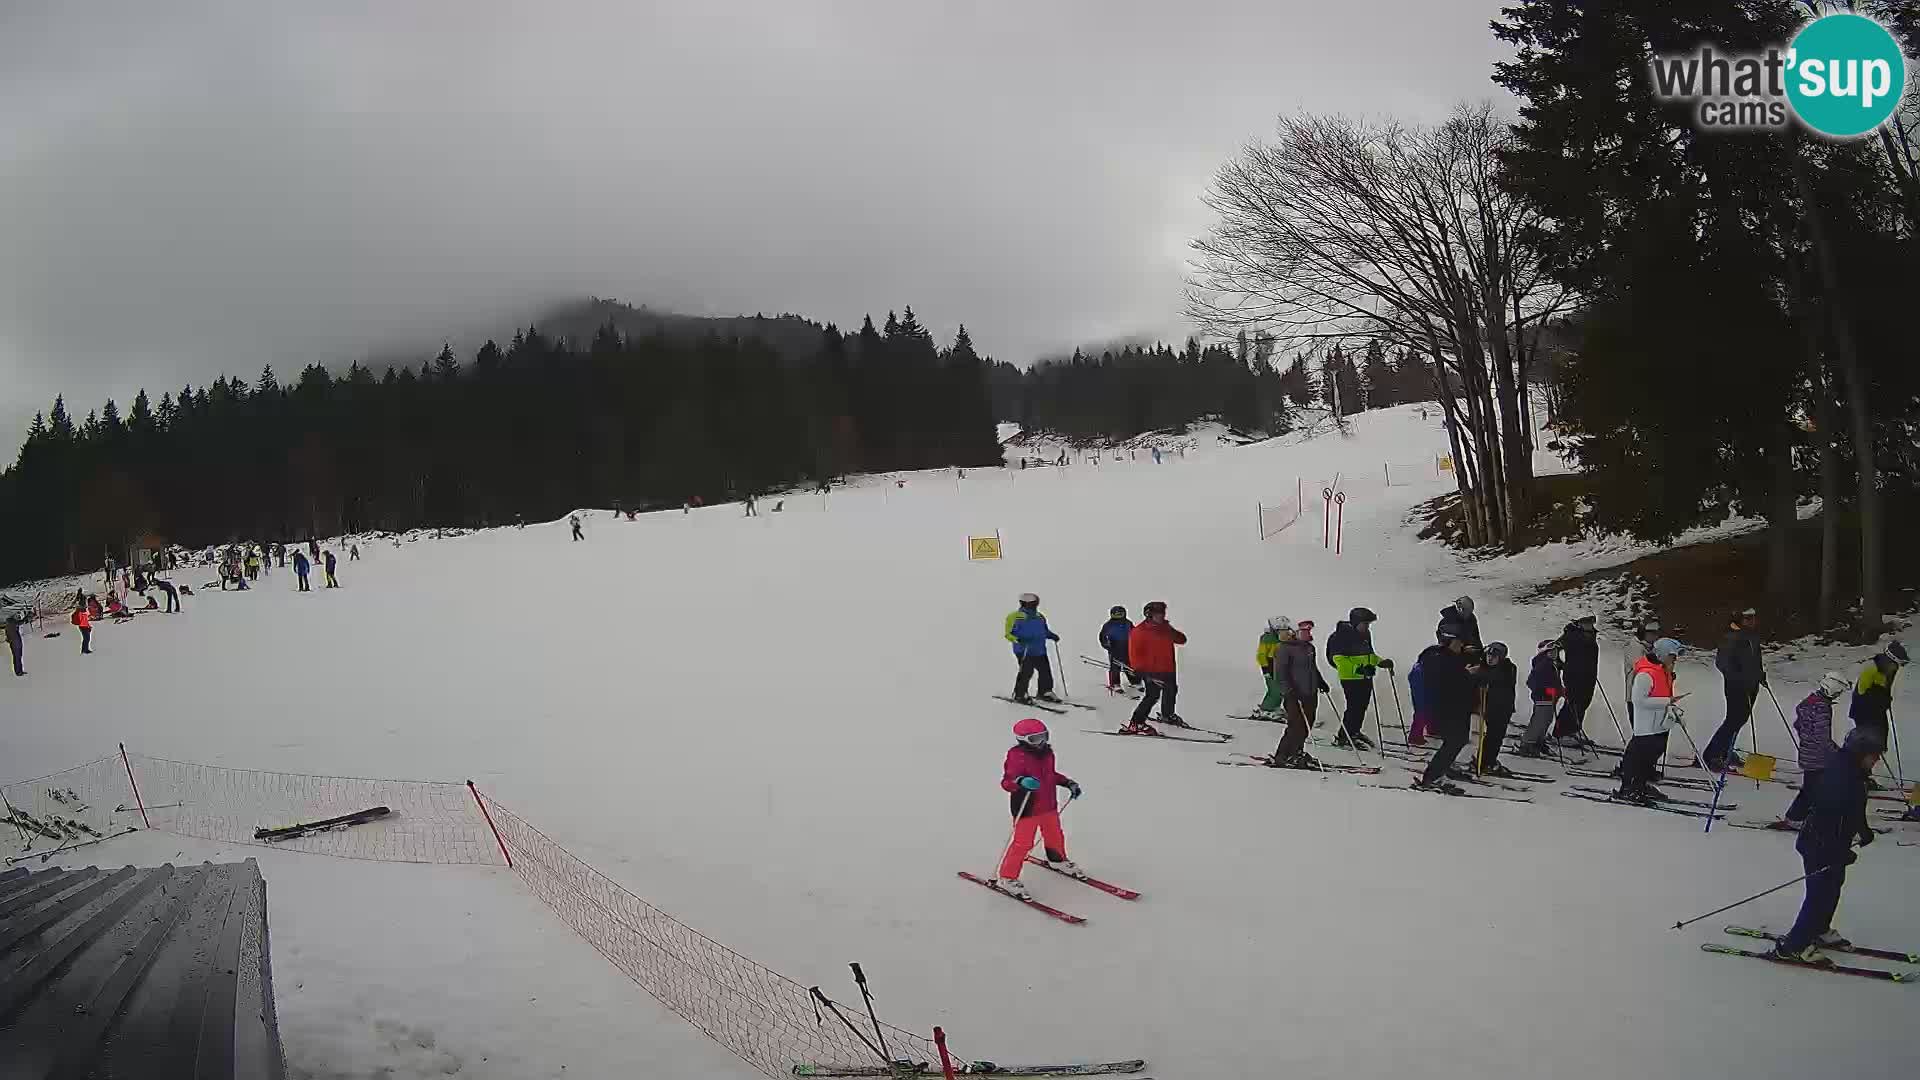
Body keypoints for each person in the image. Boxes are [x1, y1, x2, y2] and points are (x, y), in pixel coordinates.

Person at [1771, 727, 1883, 961]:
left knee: (1833, 885)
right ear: (1859, 752)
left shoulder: (1851, 772)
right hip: (1819, 843)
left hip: (1830, 843)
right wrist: (1838, 851)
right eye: (1873, 755)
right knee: (1819, 894)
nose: (1876, 760)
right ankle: (1794, 946)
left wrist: (1863, 831)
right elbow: (1828, 819)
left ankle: (1819, 928)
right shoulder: (1841, 779)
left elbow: (1852, 810)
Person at [994, 718, 1083, 899]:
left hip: (1048, 805)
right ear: (1022, 739)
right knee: (1023, 843)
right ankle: (1007, 877)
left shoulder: (1048, 754)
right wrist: (1021, 781)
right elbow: (1007, 782)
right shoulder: (1016, 755)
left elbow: (1050, 775)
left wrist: (1068, 783)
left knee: (1055, 835)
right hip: (1027, 807)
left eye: (1044, 736)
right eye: (1035, 739)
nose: (1041, 742)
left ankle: (1057, 860)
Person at [1412, 624, 1482, 793]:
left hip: (1457, 707)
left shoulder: (1448, 656)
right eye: (1458, 643)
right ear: (1448, 642)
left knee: (1458, 740)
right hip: (1446, 709)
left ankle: (1442, 769)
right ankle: (1432, 776)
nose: (1461, 646)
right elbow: (1448, 683)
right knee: (1454, 741)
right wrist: (1468, 675)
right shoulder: (1438, 659)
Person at [1615, 637, 1685, 803]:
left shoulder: (1663, 672)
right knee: (1641, 755)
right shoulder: (1646, 674)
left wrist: (1671, 709)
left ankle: (1641, 784)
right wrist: (1667, 702)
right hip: (1646, 725)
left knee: (1652, 754)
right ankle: (1630, 788)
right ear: (1662, 655)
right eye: (1672, 656)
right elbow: (1639, 700)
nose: (1674, 660)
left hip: (1658, 724)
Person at [1778, 672, 1851, 829]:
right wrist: (1836, 752)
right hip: (1818, 757)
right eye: (1838, 692)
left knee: (1813, 788)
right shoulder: (1822, 708)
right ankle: (1796, 817)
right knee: (1813, 790)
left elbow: (1798, 724)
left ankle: (1805, 815)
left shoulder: (1809, 702)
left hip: (1807, 753)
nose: (1838, 695)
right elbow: (1822, 737)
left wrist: (1806, 738)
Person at [1266, 617, 1330, 770]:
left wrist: (1320, 681)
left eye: (1309, 631)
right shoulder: (1284, 649)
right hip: (1294, 694)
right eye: (1305, 631)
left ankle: (1297, 752)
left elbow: (1312, 668)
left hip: (1310, 692)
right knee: (1295, 725)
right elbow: (1280, 674)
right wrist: (1289, 691)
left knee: (1307, 724)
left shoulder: (1309, 648)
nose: (1308, 634)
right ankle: (1283, 755)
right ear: (1295, 633)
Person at [1705, 608, 1764, 771]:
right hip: (1736, 687)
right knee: (1733, 720)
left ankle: (1725, 751)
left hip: (1752, 685)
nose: (1752, 621)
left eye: (1753, 618)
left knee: (1741, 719)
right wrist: (1739, 679)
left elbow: (1755, 659)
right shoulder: (1731, 637)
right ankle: (1713, 755)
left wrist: (1760, 674)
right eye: (1747, 618)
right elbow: (1722, 664)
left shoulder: (1752, 635)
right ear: (1739, 620)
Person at [1327, 606, 1391, 751]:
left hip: (1366, 676)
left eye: (1368, 624)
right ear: (1355, 622)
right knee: (1354, 707)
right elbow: (1339, 660)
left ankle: (1354, 731)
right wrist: (1359, 669)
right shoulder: (1340, 636)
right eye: (1365, 623)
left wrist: (1380, 662)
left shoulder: (1365, 634)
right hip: (1350, 678)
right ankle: (1344, 736)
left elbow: (1369, 655)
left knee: (1362, 707)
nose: (1367, 627)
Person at [1127, 601, 1186, 732]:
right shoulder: (1139, 632)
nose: (1162, 616)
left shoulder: (1165, 628)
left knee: (1171, 691)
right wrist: (1140, 671)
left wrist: (1171, 631)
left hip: (1168, 668)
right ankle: (1136, 723)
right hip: (1151, 671)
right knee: (1152, 696)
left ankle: (1167, 715)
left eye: (1163, 613)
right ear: (1149, 615)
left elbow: (1182, 640)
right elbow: (1134, 653)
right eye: (1158, 614)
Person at [1004, 593, 1061, 704]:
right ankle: (1020, 694)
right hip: (1024, 650)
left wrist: (1051, 635)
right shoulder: (1014, 617)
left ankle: (1045, 692)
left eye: (1034, 603)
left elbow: (1044, 631)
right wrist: (1018, 639)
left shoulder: (1040, 617)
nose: (1033, 606)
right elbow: (1008, 634)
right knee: (1026, 671)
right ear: (1024, 604)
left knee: (1045, 671)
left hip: (1039, 650)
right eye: (1031, 604)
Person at [1552, 615, 1600, 745]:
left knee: (1584, 702)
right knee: (1572, 702)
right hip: (1573, 675)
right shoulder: (1571, 634)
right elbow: (1554, 648)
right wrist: (1559, 664)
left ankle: (1574, 729)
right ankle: (1561, 733)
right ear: (1579, 623)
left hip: (1589, 675)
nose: (1589, 624)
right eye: (1586, 622)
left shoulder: (1591, 636)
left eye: (1591, 621)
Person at [1847, 641, 1908, 740]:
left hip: (1878, 711)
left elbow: (1885, 689)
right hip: (1863, 713)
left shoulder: (1889, 670)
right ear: (1889, 660)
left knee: (1881, 736)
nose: (1897, 668)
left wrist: (1885, 699)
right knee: (1869, 741)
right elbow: (1862, 692)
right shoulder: (1871, 669)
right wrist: (1881, 697)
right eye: (1896, 664)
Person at [1476, 642, 1520, 777]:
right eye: (1489, 655)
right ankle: (1483, 760)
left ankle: (1487, 760)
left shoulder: (1508, 668)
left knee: (1495, 736)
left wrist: (1483, 675)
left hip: (1502, 708)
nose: (1490, 659)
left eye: (1494, 656)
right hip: (1489, 707)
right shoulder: (1484, 667)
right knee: (1491, 736)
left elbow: (1500, 678)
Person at [1515, 639, 1564, 758]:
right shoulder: (1542, 665)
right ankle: (1527, 744)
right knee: (1539, 721)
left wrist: (1560, 690)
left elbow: (1553, 681)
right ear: (1544, 652)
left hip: (1550, 698)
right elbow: (1531, 682)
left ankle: (1538, 742)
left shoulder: (1553, 664)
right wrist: (1547, 690)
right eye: (1550, 652)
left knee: (1547, 720)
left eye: (1556, 651)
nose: (1554, 654)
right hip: (1542, 697)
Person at [1253, 616, 1292, 720]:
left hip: (1280, 667)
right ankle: (1266, 709)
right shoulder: (1268, 639)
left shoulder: (1285, 638)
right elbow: (1261, 655)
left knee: (1281, 689)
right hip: (1270, 667)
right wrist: (1265, 669)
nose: (1284, 631)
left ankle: (1274, 707)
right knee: (1274, 689)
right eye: (1281, 628)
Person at [1098, 607, 1138, 691]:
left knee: (1129, 665)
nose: (1119, 616)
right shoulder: (1108, 625)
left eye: (1121, 614)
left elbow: (1135, 633)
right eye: (1116, 615)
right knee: (1115, 666)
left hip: (1127, 647)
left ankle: (1134, 681)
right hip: (1115, 648)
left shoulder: (1127, 623)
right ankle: (1115, 683)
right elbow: (1102, 637)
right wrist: (1107, 645)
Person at [1406, 655, 1429, 746]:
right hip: (1422, 681)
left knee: (1424, 709)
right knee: (1423, 710)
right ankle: (1415, 736)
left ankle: (1431, 729)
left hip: (1420, 678)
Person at [3, 596, 26, 676]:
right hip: (15, 643)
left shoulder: (10, 623)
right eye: (17, 616)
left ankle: (19, 670)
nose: (17, 617)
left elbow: (19, 623)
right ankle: (18, 671)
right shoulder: (11, 622)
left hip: (16, 642)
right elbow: (19, 622)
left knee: (18, 657)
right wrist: (26, 618)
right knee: (17, 657)